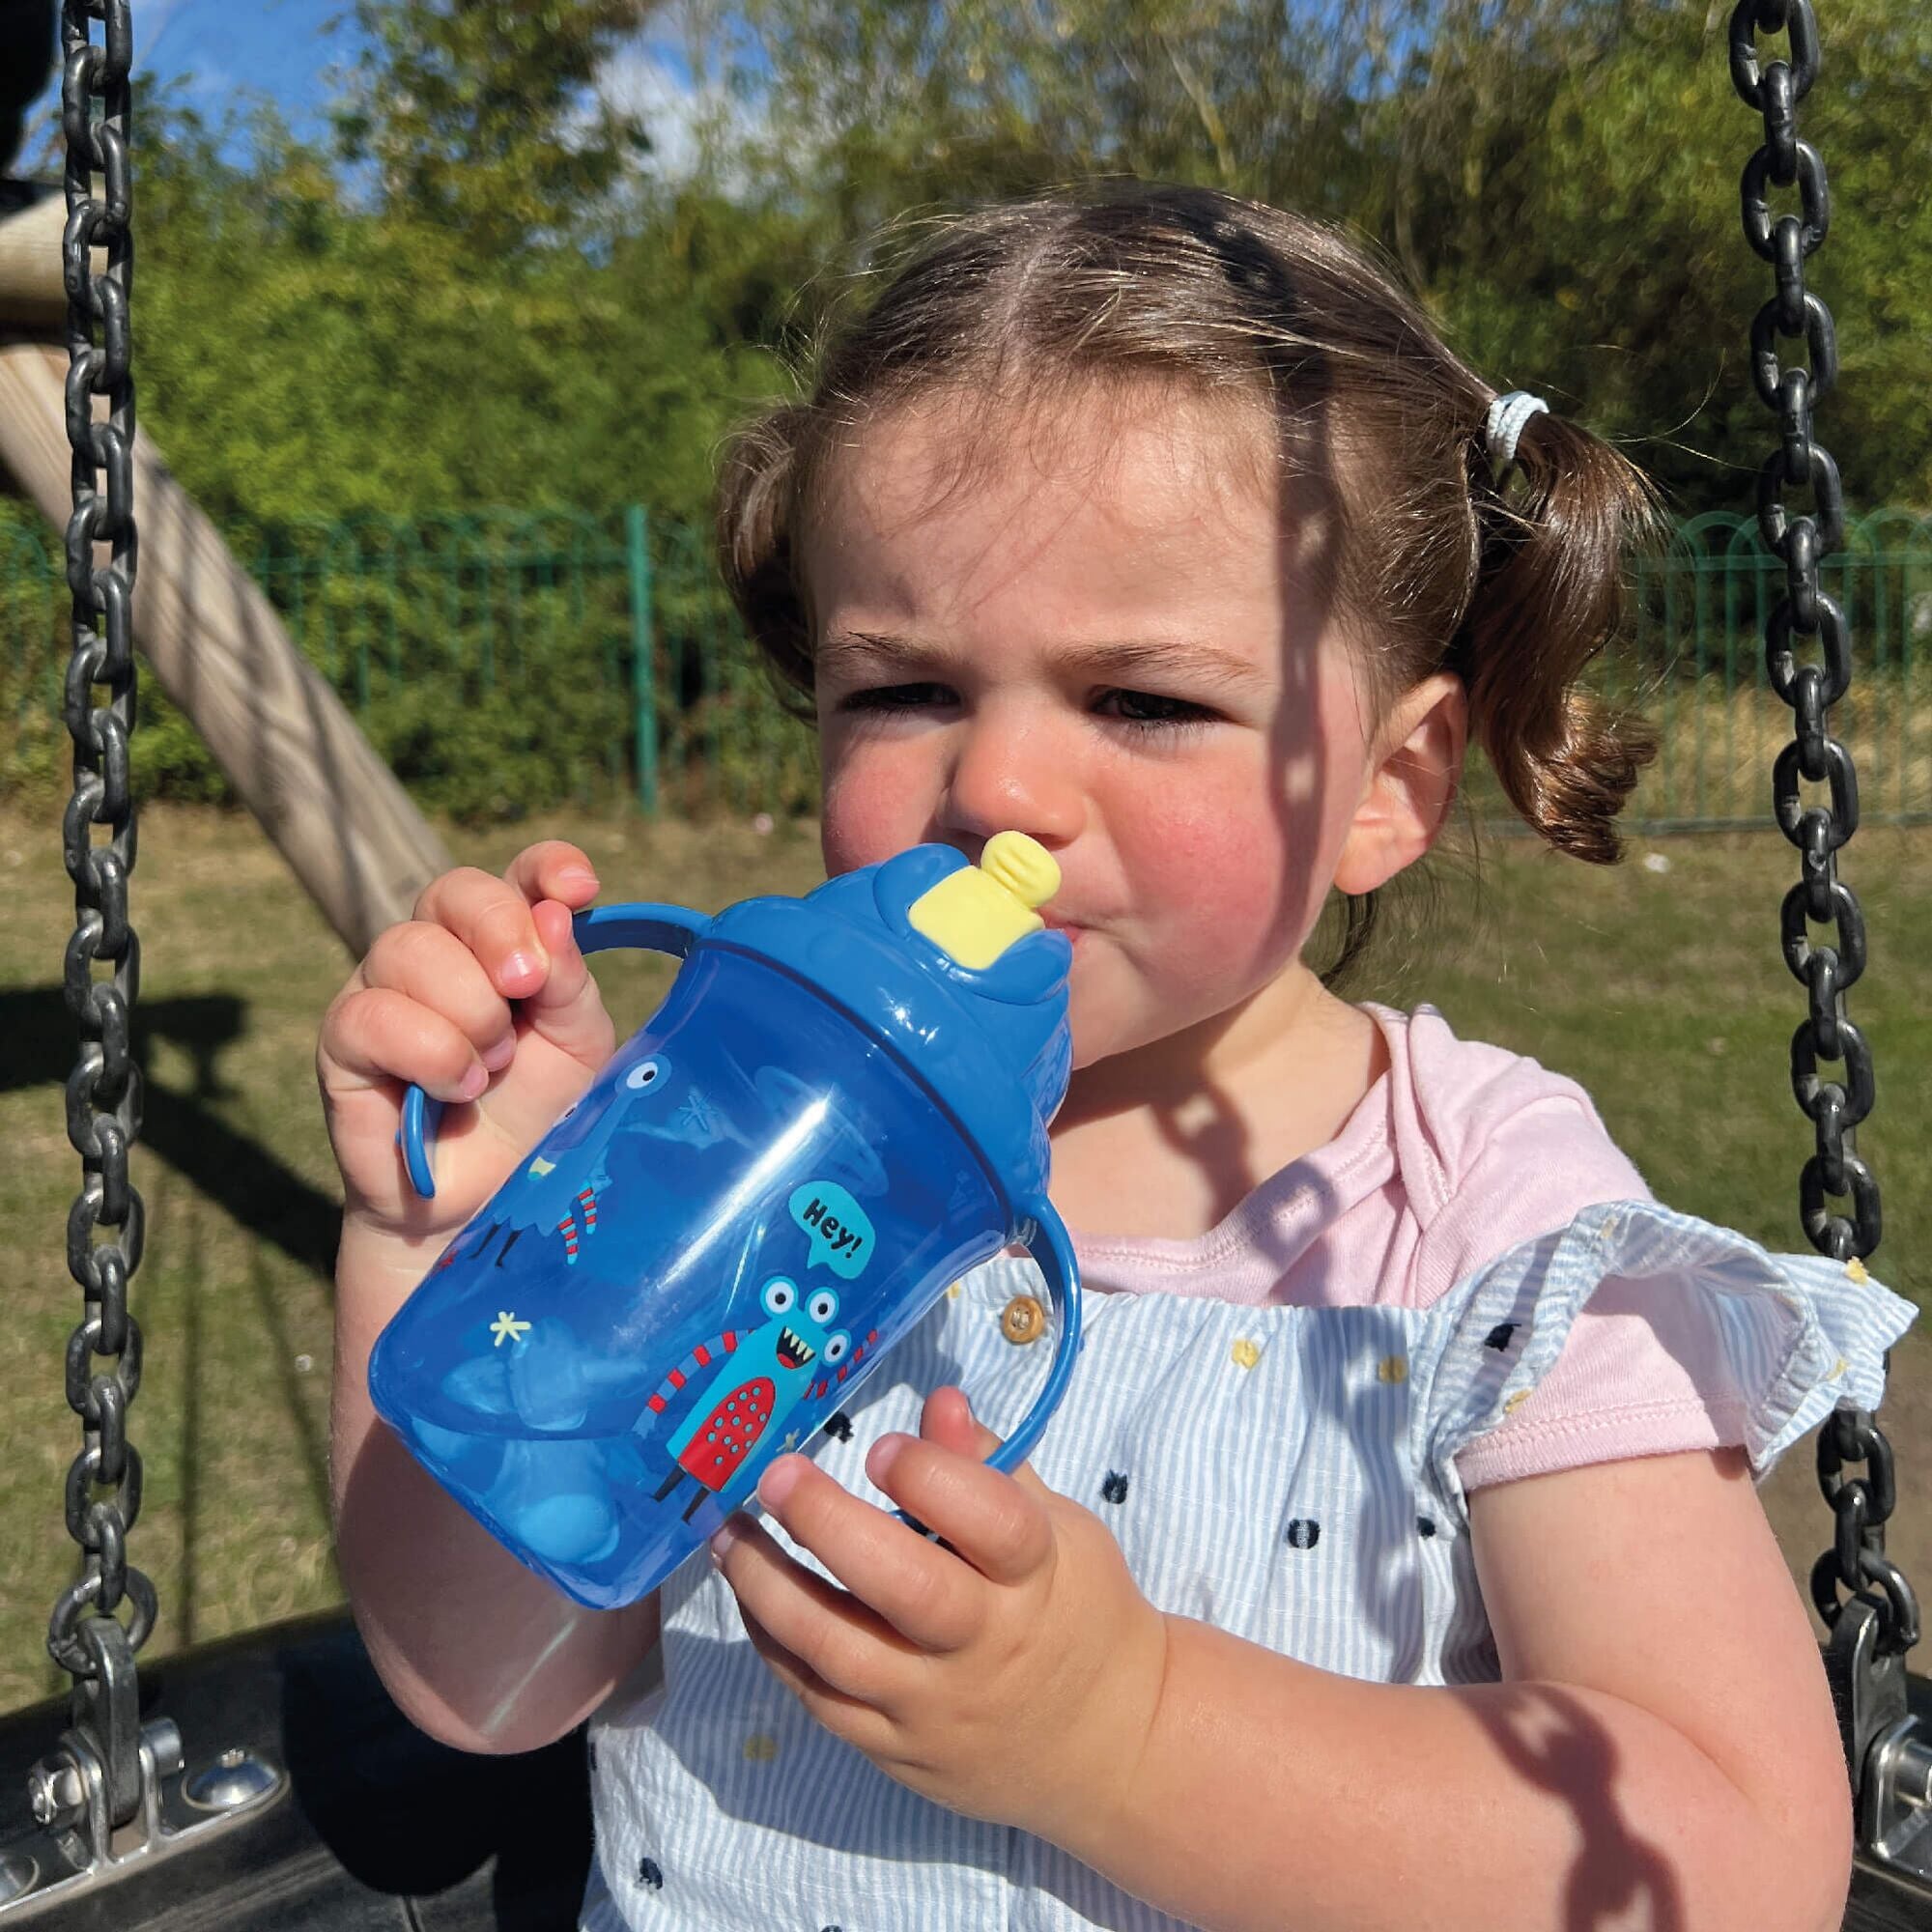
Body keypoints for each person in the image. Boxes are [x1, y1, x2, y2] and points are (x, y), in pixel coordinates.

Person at [318, 184, 1912, 1932]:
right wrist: (457, 1241)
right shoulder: (746, 1144)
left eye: (1144, 702)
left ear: (1387, 783)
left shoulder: (1480, 1219)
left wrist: (1125, 1732)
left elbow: (1733, 1865)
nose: (996, 787)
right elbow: (488, 1682)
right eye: (901, 689)